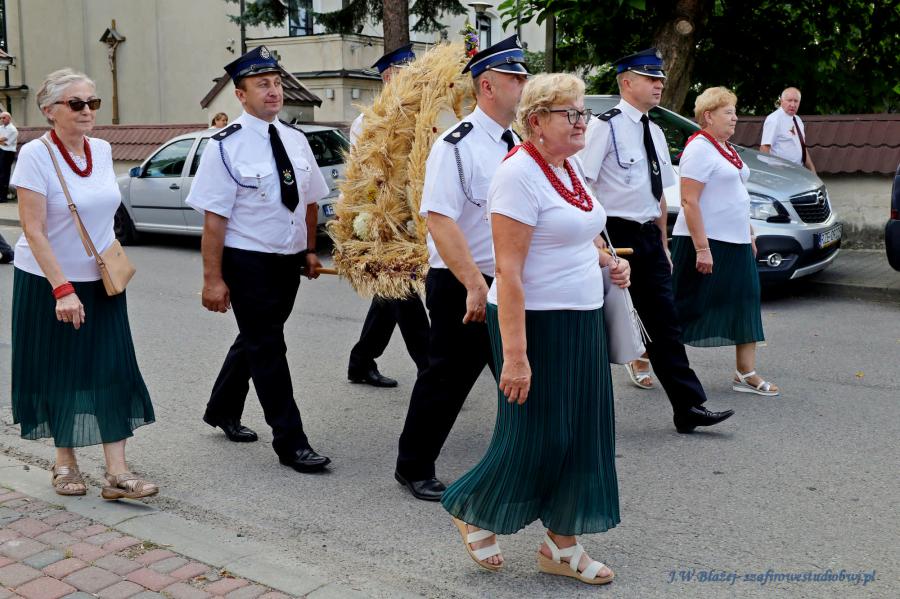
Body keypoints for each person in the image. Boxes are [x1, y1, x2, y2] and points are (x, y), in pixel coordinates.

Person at [442, 73, 626, 584]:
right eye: (571, 113)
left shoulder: (569, 167)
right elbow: (509, 273)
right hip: (535, 325)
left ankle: (561, 546)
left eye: (583, 112)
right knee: (538, 435)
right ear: (537, 121)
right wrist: (516, 357)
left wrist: (609, 261)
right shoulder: (517, 174)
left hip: (583, 317)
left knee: (583, 434)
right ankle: (474, 508)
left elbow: (577, 234)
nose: (582, 122)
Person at [10, 68, 157, 499]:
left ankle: (117, 472)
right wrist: (62, 289)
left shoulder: (103, 150)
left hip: (101, 280)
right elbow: (33, 229)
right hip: (49, 281)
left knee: (113, 368)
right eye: (76, 103)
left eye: (93, 102)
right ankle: (65, 462)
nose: (88, 110)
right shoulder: (35, 155)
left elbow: (103, 214)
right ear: (49, 110)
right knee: (61, 371)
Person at [186, 46, 333, 473]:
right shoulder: (224, 146)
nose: (273, 91)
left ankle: (221, 408)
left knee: (257, 338)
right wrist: (213, 279)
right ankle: (291, 442)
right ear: (240, 94)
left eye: (277, 83)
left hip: (287, 261)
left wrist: (309, 249)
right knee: (269, 346)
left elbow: (309, 201)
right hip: (247, 261)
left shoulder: (297, 140)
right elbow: (214, 220)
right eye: (262, 84)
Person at [394, 35, 529, 501]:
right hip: (464, 282)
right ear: (487, 86)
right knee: (446, 379)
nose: (524, 85)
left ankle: (528, 462)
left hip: (510, 280)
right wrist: (474, 283)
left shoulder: (519, 143)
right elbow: (440, 220)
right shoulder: (456, 145)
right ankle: (413, 467)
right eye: (515, 78)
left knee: (522, 372)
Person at [578, 48, 735, 433]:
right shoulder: (605, 127)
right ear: (626, 82)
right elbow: (583, 185)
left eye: (660, 78)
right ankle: (582, 417)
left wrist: (663, 243)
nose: (659, 84)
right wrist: (596, 241)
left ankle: (688, 406)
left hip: (647, 235)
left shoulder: (655, 130)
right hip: (612, 235)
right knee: (597, 325)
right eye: (650, 78)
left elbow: (658, 194)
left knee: (665, 323)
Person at [671, 86, 780, 397]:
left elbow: (735, 195)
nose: (735, 118)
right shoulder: (699, 149)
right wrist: (702, 248)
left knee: (747, 299)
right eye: (728, 112)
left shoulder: (725, 148)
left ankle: (745, 373)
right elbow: (689, 201)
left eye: (735, 112)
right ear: (708, 116)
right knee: (684, 304)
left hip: (736, 240)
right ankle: (644, 354)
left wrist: (748, 232)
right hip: (704, 241)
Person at [347, 44, 429, 387]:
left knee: (390, 291)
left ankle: (361, 361)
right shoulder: (368, 119)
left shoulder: (421, 113)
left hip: (415, 213)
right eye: (406, 74)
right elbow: (361, 174)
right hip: (382, 215)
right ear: (388, 78)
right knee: (402, 287)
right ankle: (431, 368)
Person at [760, 87, 816, 173]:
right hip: (781, 173)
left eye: (796, 101)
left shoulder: (798, 120)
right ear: (781, 101)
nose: (793, 105)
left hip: (798, 171)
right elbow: (764, 148)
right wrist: (769, 172)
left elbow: (802, 147)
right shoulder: (774, 119)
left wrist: (812, 169)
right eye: (789, 100)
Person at [0, 111, 17, 202]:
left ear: (9, 118)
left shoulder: (12, 129)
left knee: (4, 174)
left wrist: (2, 140)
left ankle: (3, 197)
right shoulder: (1, 128)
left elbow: (6, 143)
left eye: (4, 118)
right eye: (1, 118)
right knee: (0, 173)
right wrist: (1, 140)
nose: (2, 120)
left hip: (8, 152)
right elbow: (2, 140)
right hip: (1, 150)